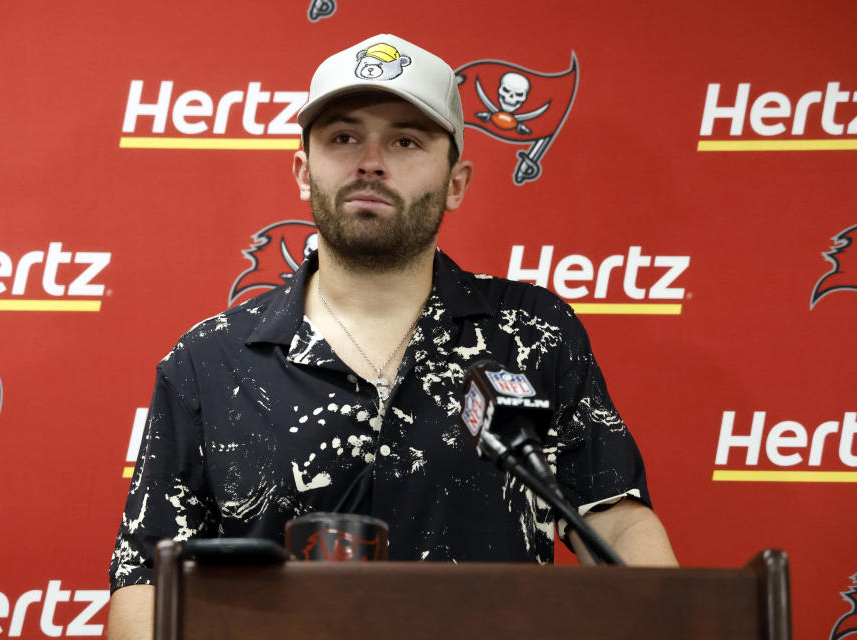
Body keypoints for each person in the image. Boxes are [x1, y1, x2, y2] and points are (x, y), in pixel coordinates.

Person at [107, 33, 677, 640]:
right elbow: (147, 579)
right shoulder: (208, 362)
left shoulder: (531, 333)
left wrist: (676, 619)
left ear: (456, 181)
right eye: (343, 137)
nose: (370, 160)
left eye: (406, 140)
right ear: (304, 171)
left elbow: (612, 519)